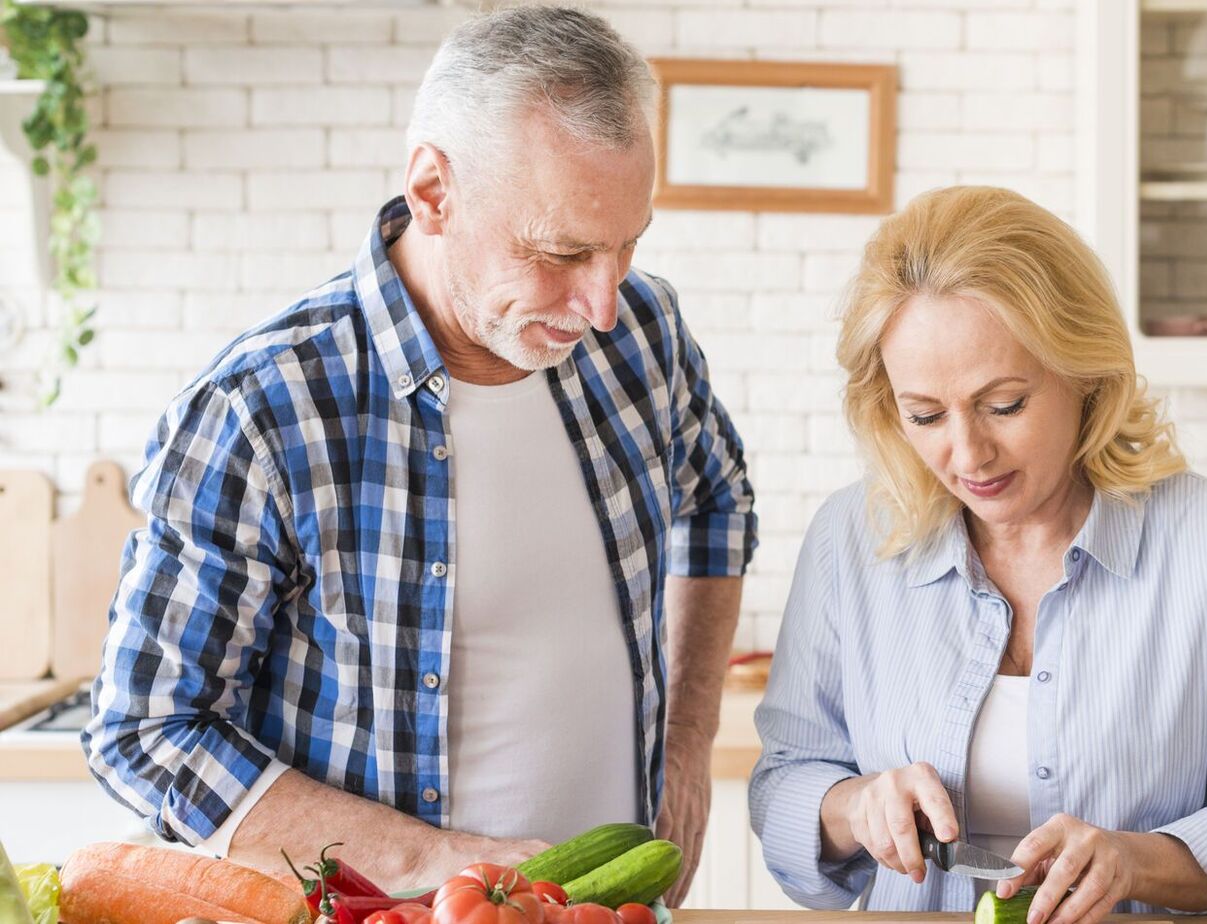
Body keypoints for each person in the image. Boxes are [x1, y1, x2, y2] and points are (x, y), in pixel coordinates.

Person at [81, 6, 754, 901]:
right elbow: (146, 733)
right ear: (434, 191)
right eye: (561, 252)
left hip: (614, 909)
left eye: (627, 245)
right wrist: (432, 861)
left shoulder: (643, 331)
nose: (600, 303)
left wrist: (687, 744)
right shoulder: (262, 408)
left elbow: (717, 503)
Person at [749, 185, 1207, 924]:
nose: (968, 454)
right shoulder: (849, 538)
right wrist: (855, 805)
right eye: (925, 415)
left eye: (1004, 405)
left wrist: (1135, 860)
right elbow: (784, 780)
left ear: (1085, 373)